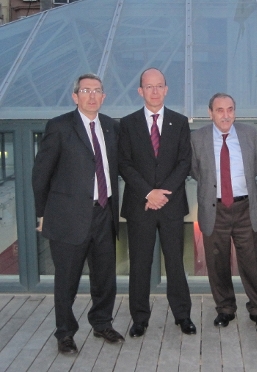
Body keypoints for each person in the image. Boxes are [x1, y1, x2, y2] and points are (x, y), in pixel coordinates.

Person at [32, 73, 124, 354]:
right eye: (86, 90)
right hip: (68, 217)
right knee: (67, 281)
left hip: (103, 214)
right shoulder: (59, 127)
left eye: (97, 91)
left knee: (105, 277)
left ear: (104, 97)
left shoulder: (110, 126)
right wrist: (41, 213)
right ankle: (65, 333)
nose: (92, 95)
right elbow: (40, 174)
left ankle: (101, 323)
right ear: (75, 96)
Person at [118, 68, 195, 337]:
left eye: (159, 86)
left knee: (175, 262)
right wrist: (148, 193)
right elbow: (124, 164)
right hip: (141, 205)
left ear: (166, 89)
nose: (154, 91)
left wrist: (162, 194)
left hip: (171, 205)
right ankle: (139, 318)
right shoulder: (126, 124)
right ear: (140, 91)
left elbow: (185, 161)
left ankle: (183, 315)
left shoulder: (180, 121)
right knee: (139, 264)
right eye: (148, 87)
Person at [190, 93, 257, 328]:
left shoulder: (249, 133)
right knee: (217, 263)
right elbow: (196, 171)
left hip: (245, 207)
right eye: (220, 110)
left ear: (235, 111)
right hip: (215, 209)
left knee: (252, 261)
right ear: (210, 113)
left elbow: (254, 167)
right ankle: (225, 308)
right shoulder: (198, 138)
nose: (226, 115)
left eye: (230, 109)